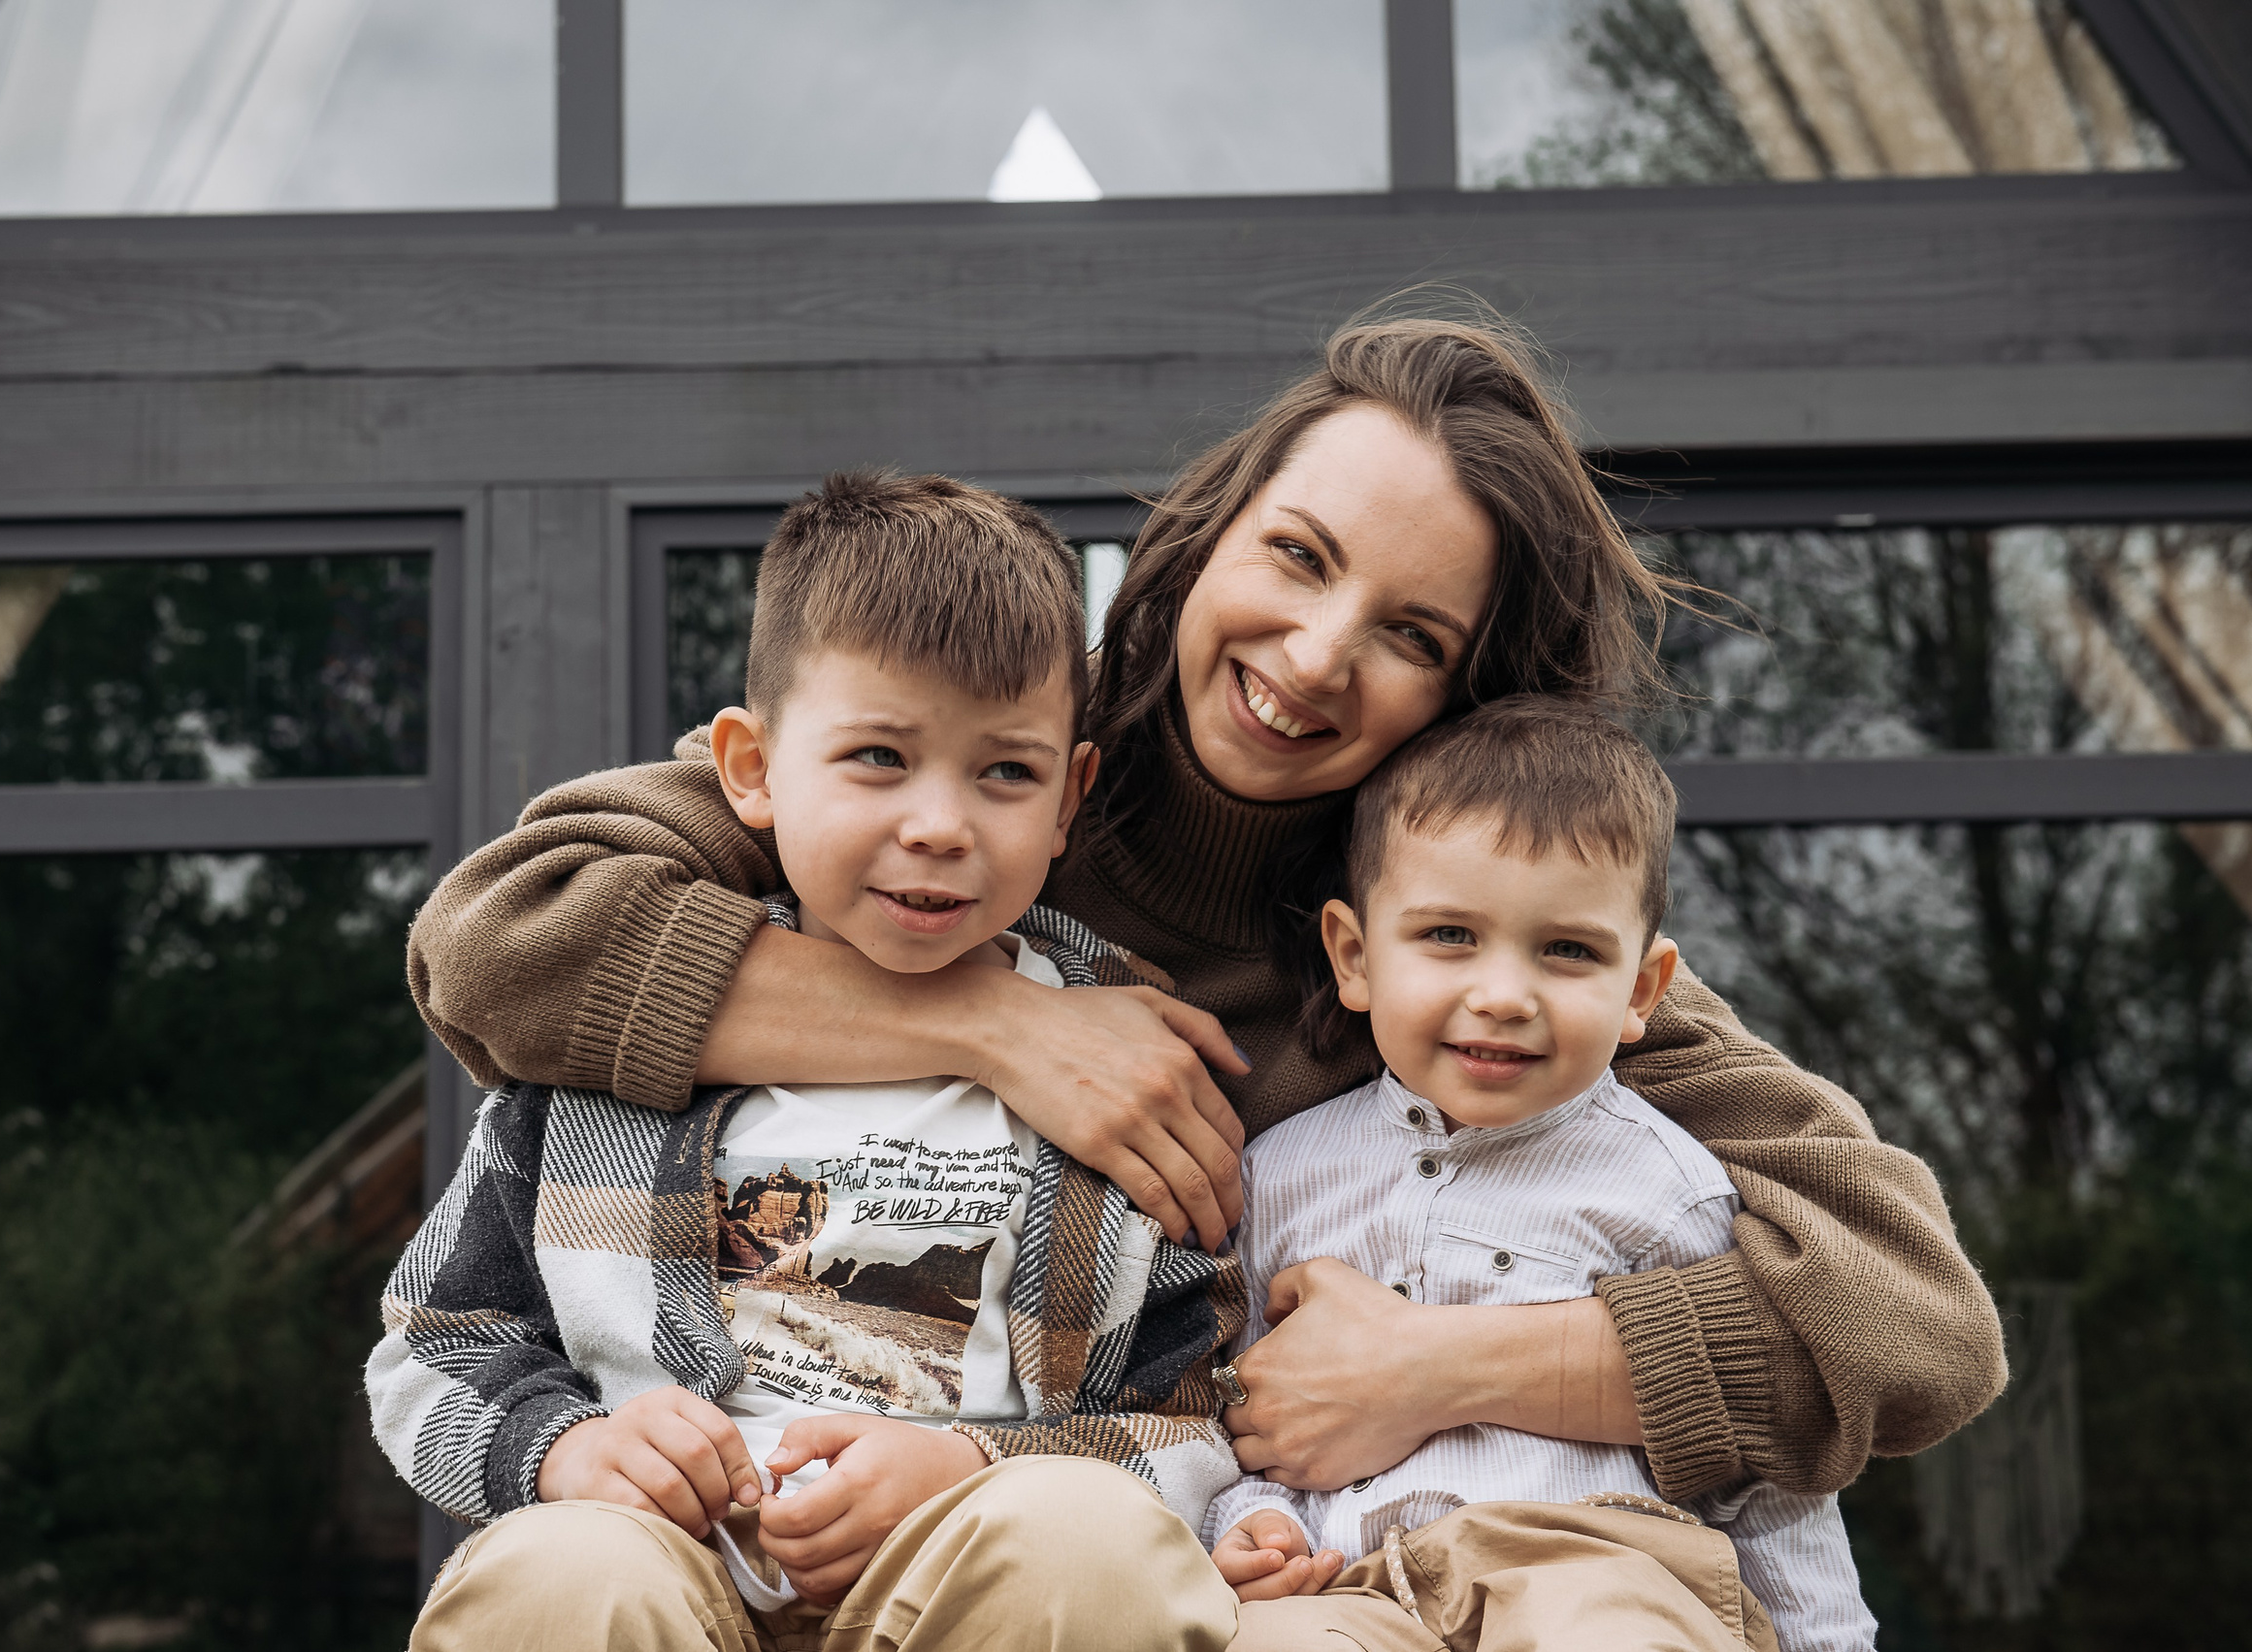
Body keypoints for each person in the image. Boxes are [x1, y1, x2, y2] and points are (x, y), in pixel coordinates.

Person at [405, 313, 2006, 1512]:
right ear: (1211, 527)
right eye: (1296, 556)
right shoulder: (968, 748)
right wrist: (990, 1020)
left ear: (1471, 695)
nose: (1313, 652)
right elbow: (501, 935)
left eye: (1409, 633)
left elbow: (1910, 1318)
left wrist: (1452, 1364)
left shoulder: (1471, 949)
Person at [370, 471, 1244, 1652]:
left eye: (1005, 771)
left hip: (970, 1588)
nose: (940, 821)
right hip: (667, 1573)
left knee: (1086, 1536)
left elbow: (1195, 1416)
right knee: (557, 1571)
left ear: (1068, 799)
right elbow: (436, 1345)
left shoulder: (1129, 1060)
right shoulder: (610, 1052)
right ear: (751, 768)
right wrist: (561, 1446)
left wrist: (968, 1462)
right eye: (879, 755)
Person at [1209, 696, 1875, 1652]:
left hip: (1592, 1564)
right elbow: (1237, 1410)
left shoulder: (1665, 1183)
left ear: (1641, 989)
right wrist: (1245, 1519)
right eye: (1448, 935)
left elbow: (1763, 1475)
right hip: (1354, 1582)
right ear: (1353, 956)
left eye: (1566, 949)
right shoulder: (1280, 1171)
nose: (1502, 994)